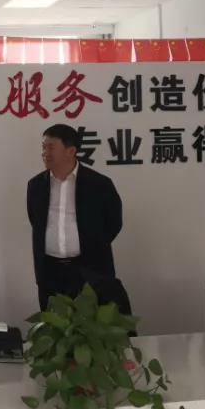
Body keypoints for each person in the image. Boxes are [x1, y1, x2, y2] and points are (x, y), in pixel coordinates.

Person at [26, 124, 130, 314]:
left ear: (71, 151)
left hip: (90, 269)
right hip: (50, 271)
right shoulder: (35, 185)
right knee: (55, 324)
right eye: (43, 147)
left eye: (51, 147)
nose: (45, 153)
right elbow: (36, 221)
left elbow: (114, 222)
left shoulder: (99, 184)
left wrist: (92, 244)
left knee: (91, 323)